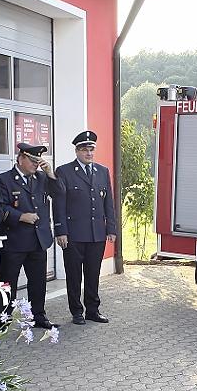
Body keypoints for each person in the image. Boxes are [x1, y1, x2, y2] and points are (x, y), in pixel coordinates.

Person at [0, 143, 64, 329]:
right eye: (33, 160)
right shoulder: (4, 179)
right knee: (7, 282)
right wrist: (20, 217)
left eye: (38, 161)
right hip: (14, 240)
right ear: (21, 158)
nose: (36, 164)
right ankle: (3, 318)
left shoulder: (42, 178)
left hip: (38, 240)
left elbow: (59, 194)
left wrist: (50, 173)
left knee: (38, 282)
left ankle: (38, 316)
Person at [53, 131, 116, 325]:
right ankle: (76, 312)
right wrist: (61, 231)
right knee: (73, 275)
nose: (89, 153)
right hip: (73, 234)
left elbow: (109, 203)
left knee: (93, 274)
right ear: (77, 151)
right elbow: (59, 203)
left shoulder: (102, 171)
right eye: (85, 150)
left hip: (96, 233)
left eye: (91, 149)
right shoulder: (64, 171)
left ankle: (92, 310)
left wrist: (111, 229)